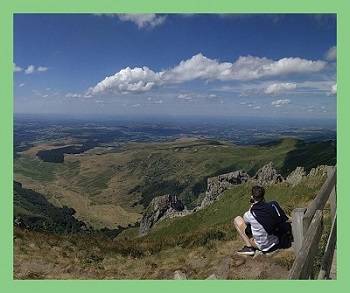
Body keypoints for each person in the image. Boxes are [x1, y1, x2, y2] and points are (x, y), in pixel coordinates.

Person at [233, 185, 291, 256]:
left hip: (263, 246)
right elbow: (283, 218)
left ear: (252, 197)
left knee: (237, 219)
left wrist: (252, 206)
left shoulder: (249, 214)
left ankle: (249, 247)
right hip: (276, 241)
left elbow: (245, 222)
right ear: (263, 195)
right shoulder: (273, 204)